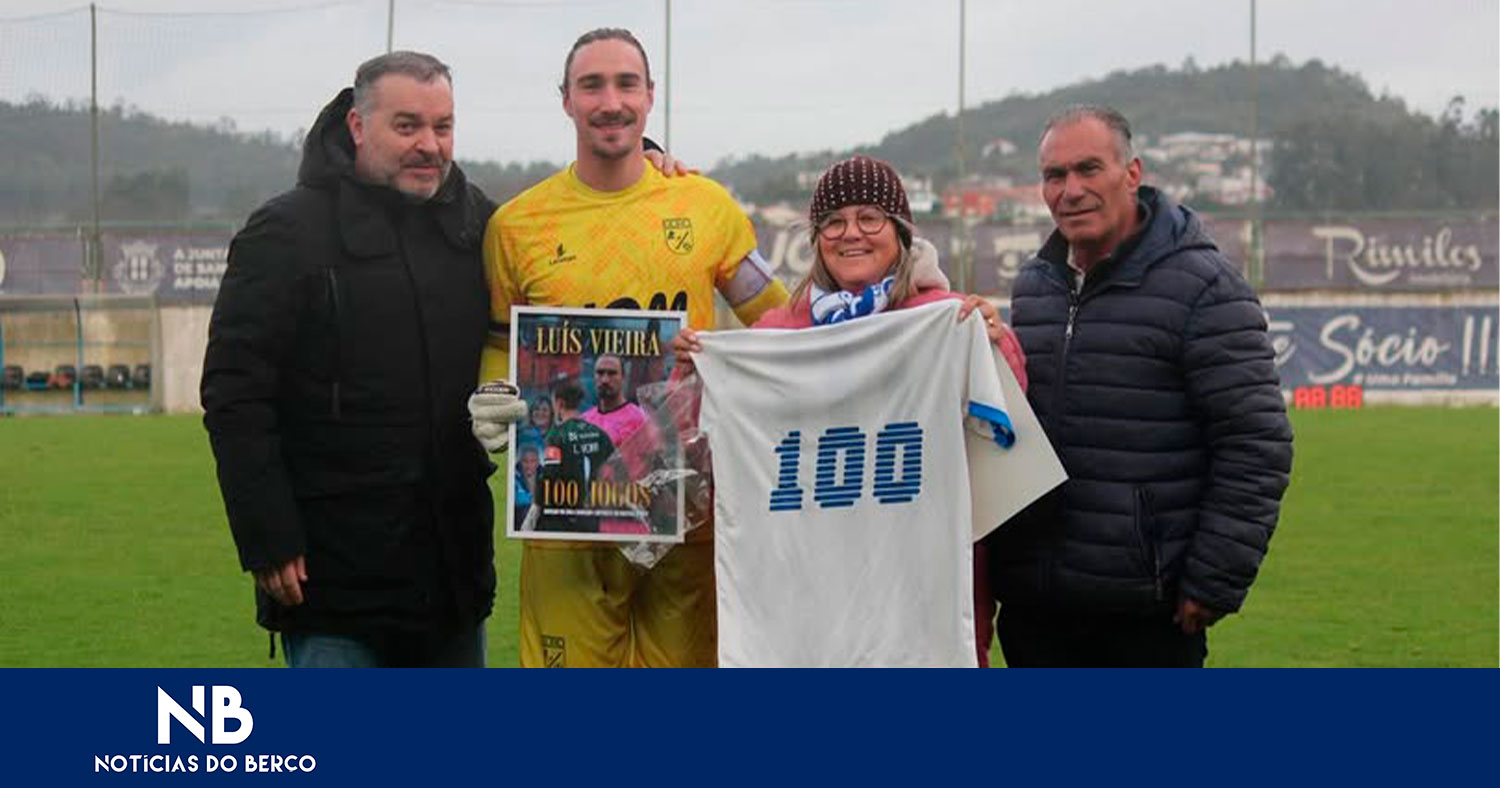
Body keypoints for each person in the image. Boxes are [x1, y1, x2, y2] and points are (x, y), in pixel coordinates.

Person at [472, 28, 791, 668]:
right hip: (567, 526)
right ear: (565, 99)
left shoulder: (707, 206)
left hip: (683, 511)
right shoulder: (515, 227)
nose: (610, 100)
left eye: (626, 84)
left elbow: (783, 321)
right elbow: (501, 343)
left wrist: (909, 304)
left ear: (651, 97)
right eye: (592, 84)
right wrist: (492, 397)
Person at [201, 51, 501, 667]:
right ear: (358, 126)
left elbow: (570, 259)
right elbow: (235, 393)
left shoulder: (482, 226)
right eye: (407, 125)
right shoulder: (285, 232)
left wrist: (650, 167)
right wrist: (265, 535)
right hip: (331, 583)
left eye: (443, 127)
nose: (430, 145)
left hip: (454, 580)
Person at [673, 154, 1028, 666]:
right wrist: (694, 372)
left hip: (921, 606)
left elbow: (1006, 424)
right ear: (816, 238)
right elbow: (704, 446)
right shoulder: (777, 336)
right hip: (806, 611)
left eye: (870, 218)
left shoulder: (944, 320)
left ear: (900, 230)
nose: (851, 234)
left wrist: (993, 344)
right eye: (834, 222)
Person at [989, 105, 1293, 667]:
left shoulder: (1206, 287)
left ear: (1132, 173)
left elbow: (1256, 443)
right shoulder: (1034, 285)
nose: (1071, 190)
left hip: (1144, 613)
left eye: (1088, 169)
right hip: (1037, 606)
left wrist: (1213, 578)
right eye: (1055, 176)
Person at [580, 354, 663, 536]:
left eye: (612, 374)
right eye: (600, 373)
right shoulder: (584, 420)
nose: (605, 379)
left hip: (629, 523)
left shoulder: (641, 420)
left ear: (623, 378)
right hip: (591, 522)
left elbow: (658, 470)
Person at [534, 381, 617, 534]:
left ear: (559, 403)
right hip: (592, 518)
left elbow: (548, 477)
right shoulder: (601, 434)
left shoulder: (556, 436)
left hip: (563, 519)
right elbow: (616, 471)